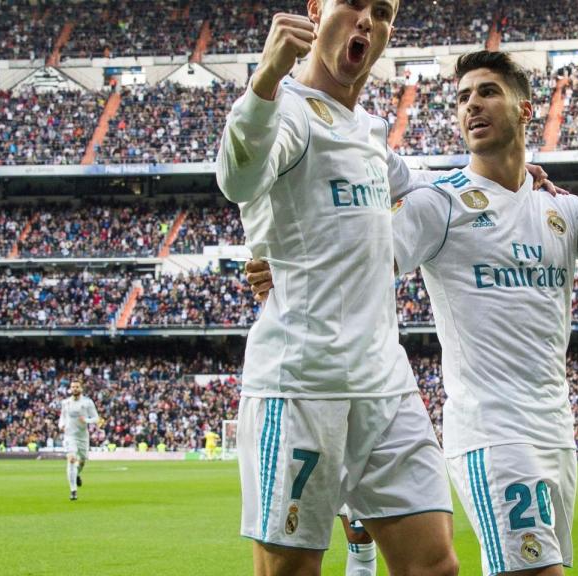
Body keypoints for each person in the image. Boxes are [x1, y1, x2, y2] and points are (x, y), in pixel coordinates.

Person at [249, 50, 578, 576]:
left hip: (554, 431)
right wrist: (289, 266)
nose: (472, 106)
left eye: (487, 92)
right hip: (491, 430)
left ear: (526, 110)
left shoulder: (565, 210)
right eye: (463, 97)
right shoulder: (440, 204)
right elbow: (363, 260)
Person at [215, 2, 461, 574]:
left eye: (384, 10)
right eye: (353, 2)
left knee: (435, 565)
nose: (368, 19)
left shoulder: (368, 130)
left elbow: (427, 186)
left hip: (384, 383)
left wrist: (510, 180)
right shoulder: (289, 112)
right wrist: (266, 78)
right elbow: (237, 177)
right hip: (304, 384)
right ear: (315, 10)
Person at [58, 381, 100, 501]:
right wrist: (61, 425)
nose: (74, 389)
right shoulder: (65, 402)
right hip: (69, 435)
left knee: (81, 461)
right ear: (70, 389)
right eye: (72, 387)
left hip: (82, 436)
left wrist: (86, 420)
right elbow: (62, 416)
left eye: (77, 387)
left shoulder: (87, 402)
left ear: (81, 388)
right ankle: (73, 491)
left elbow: (96, 418)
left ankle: (77, 474)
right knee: (71, 459)